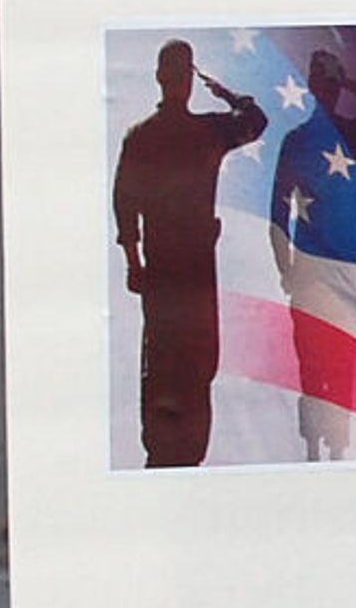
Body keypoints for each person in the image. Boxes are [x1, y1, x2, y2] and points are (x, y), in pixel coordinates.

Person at [112, 39, 267, 468]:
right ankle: (186, 453)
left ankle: (162, 449)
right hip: (196, 266)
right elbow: (255, 120)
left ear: (160, 77)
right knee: (197, 360)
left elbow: (125, 202)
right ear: (187, 81)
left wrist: (133, 261)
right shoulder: (208, 132)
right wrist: (225, 92)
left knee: (162, 357)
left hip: (161, 266)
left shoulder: (142, 136)